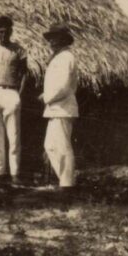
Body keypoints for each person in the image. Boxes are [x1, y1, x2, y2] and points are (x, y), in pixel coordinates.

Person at [0, 15, 28, 186]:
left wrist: (19, 94)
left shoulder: (19, 50)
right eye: (0, 32)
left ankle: (15, 174)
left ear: (11, 31)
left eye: (6, 32)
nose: (3, 35)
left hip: (11, 93)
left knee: (14, 136)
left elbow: (24, 74)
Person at [40, 23, 79, 190]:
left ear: (63, 40)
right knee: (50, 146)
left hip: (62, 108)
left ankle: (67, 185)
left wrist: (47, 97)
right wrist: (46, 95)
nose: (51, 42)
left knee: (62, 147)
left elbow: (63, 86)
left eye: (55, 38)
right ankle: (65, 181)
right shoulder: (58, 58)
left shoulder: (66, 57)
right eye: (50, 39)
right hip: (56, 108)